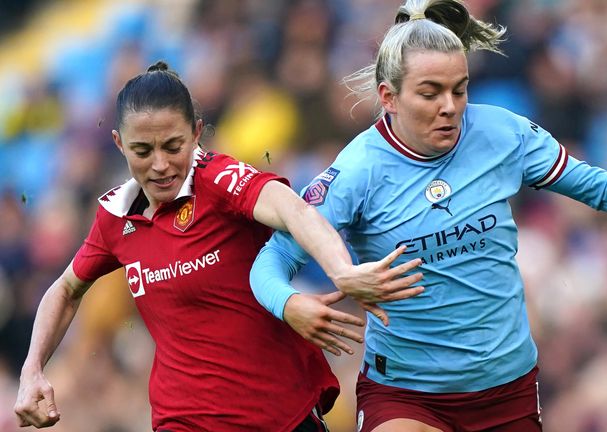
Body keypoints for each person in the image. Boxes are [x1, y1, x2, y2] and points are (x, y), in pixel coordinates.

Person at [250, 1, 607, 431]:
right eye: (430, 93)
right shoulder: (357, 173)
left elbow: (597, 187)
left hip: (507, 390)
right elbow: (269, 264)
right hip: (408, 395)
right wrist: (292, 304)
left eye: (460, 88)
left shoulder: (503, 134)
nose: (451, 106)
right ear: (389, 97)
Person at [13, 61, 424, 432]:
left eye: (173, 146)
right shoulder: (115, 217)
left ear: (196, 133)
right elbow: (65, 289)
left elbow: (295, 212)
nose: (159, 164)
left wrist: (342, 272)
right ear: (120, 144)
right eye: (142, 150)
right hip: (183, 419)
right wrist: (32, 370)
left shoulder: (221, 180)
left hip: (281, 414)